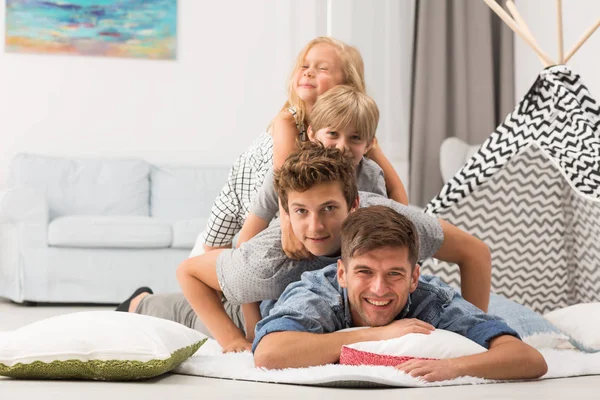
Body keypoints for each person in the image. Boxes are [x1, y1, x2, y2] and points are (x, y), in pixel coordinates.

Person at [167, 143, 491, 353]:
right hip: (241, 309)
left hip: (354, 311)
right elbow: (189, 271)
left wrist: (469, 342)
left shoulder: (395, 225)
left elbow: (475, 252)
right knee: (162, 310)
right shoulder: (266, 262)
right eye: (301, 212)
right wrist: (232, 340)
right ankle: (139, 299)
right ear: (286, 211)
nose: (315, 226)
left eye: (329, 209)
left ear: (354, 204)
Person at [252, 206, 548, 383]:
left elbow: (529, 359)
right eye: (364, 272)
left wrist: (452, 367)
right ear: (341, 274)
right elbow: (268, 353)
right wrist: (377, 334)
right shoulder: (318, 292)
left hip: (491, 305)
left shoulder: (432, 298)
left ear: (414, 277)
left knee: (536, 326)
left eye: (394, 274)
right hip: (255, 300)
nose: (379, 289)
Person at [197, 36, 408, 255]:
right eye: (305, 66)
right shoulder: (288, 121)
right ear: (312, 134)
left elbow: (394, 189)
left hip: (269, 199)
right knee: (213, 251)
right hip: (242, 190)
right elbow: (281, 183)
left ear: (347, 84)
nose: (308, 72)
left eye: (322, 69)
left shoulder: (355, 133)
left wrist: (404, 227)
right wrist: (288, 229)